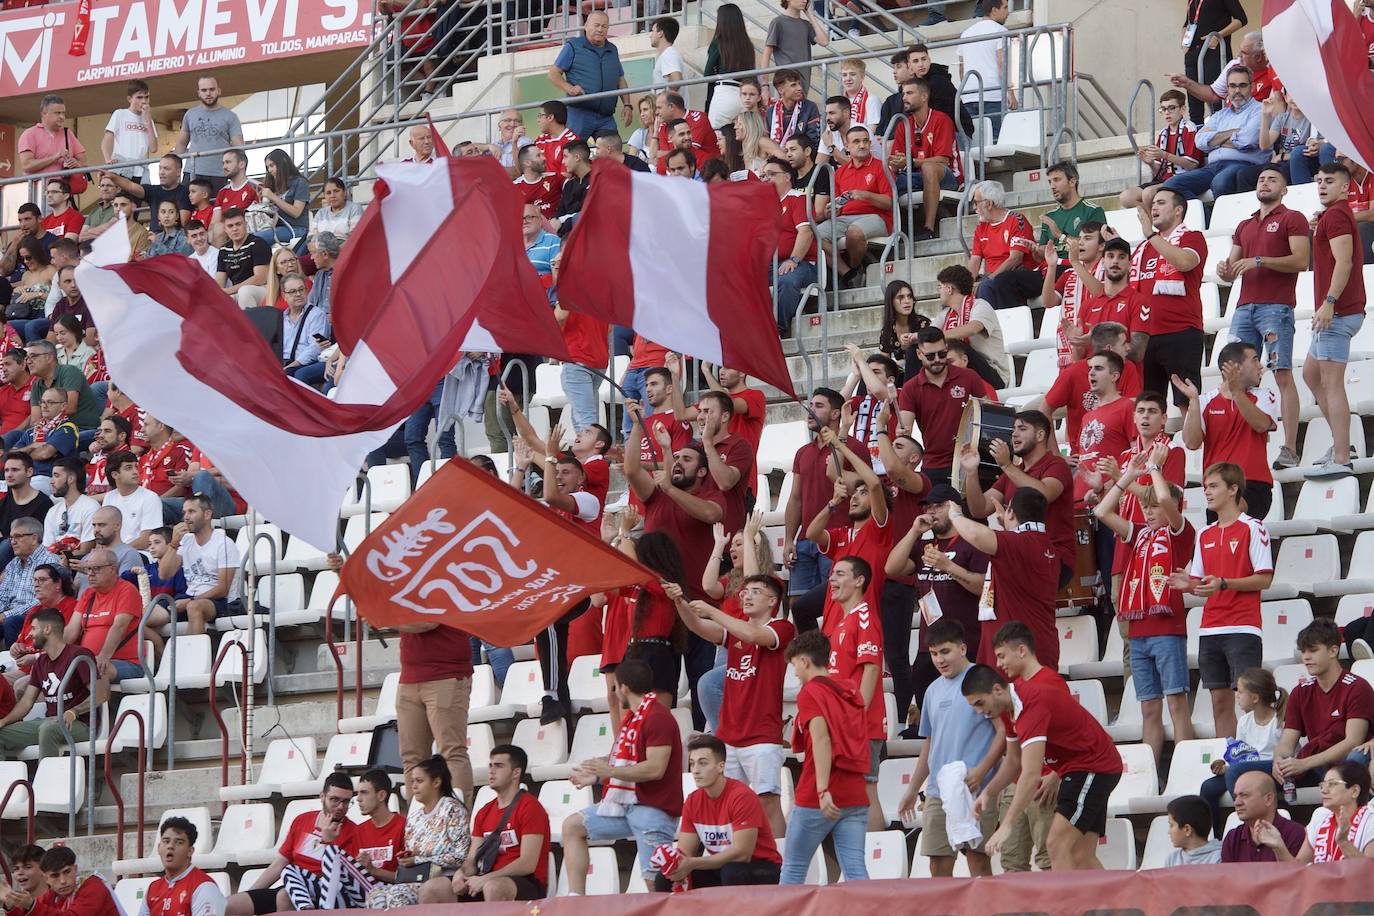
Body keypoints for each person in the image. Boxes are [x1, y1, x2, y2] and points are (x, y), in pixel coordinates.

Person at [963, 662, 1122, 870]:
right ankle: (1115, 893)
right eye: (974, 706)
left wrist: (1007, 824)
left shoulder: (1030, 705)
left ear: (997, 689)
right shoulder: (1008, 708)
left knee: (1056, 845)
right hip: (1087, 765)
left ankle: (1067, 894)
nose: (979, 711)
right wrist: (988, 792)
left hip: (1092, 766)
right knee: (1081, 855)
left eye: (980, 703)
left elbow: (1031, 774)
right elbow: (1014, 761)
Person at [1094, 443, 1195, 765]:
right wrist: (1128, 476)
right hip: (1138, 634)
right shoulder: (1138, 534)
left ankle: (1185, 768)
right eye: (1145, 507)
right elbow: (1102, 512)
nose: (1149, 512)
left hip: (1167, 631)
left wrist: (1153, 468)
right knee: (1149, 709)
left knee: (1177, 705)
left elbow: (1165, 498)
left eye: (1153, 507)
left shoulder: (1181, 532)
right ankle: (1151, 772)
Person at [1167, 462, 1273, 740]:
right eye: (1205, 487)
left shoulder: (1254, 527)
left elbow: (1264, 578)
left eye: (1213, 486)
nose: (1207, 492)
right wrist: (1188, 585)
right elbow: (1203, 584)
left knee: (1250, 700)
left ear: (1233, 489)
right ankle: (1229, 756)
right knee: (1219, 703)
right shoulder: (1204, 533)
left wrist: (1225, 583)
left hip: (1243, 627)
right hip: (1210, 628)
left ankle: (1255, 756)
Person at [1215, 167, 1310, 469]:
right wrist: (1224, 270)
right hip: (1245, 306)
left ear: (1284, 189)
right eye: (1261, 179)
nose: (1265, 183)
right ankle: (1238, 444)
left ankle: (1290, 448)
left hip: (1276, 306)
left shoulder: (1292, 217)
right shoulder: (1245, 224)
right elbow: (1231, 271)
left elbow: (1302, 260)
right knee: (1233, 375)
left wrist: (1259, 261)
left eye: (1272, 179)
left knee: (1281, 373)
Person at [561, 658, 682, 895]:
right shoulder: (635, 717)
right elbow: (626, 759)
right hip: (626, 806)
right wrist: (596, 776)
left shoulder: (657, 717)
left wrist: (610, 772)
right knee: (573, 826)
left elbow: (655, 768)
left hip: (654, 810)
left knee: (657, 887)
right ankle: (576, 900)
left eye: (614, 687)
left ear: (623, 687)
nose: (614, 692)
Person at [897, 619, 1004, 876]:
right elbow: (930, 743)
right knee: (938, 864)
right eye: (934, 654)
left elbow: (1004, 731)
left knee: (978, 861)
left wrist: (982, 770)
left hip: (977, 787)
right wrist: (912, 789)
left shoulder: (982, 679)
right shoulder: (932, 690)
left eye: (945, 651)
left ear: (962, 648)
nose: (939, 660)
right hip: (938, 790)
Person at [778, 630, 870, 884]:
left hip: (817, 795)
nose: (796, 673)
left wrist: (822, 790)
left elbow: (822, 739)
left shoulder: (810, 692)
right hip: (854, 792)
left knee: (793, 869)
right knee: (856, 871)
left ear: (804, 661)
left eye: (795, 666)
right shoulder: (849, 689)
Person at [950, 483, 1062, 672]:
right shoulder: (1047, 546)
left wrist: (955, 515)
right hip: (1035, 644)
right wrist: (1008, 526)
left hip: (1016, 652)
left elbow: (975, 534)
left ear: (1010, 513)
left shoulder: (1018, 543)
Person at [655, 734, 782, 891]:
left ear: (721, 766)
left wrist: (692, 863)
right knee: (664, 879)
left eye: (703, 763)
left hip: (762, 867)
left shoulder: (742, 797)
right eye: (692, 764)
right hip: (723, 867)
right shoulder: (693, 801)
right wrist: (673, 862)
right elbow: (685, 852)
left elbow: (743, 854)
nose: (695, 770)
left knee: (733, 872)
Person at [1305, 162, 1368, 478]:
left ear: (1345, 187)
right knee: (1311, 375)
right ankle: (1342, 444)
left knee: (1330, 383)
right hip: (1336, 311)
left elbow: (1345, 262)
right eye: (1319, 180)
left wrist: (1329, 303)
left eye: (1329, 181)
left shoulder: (1337, 215)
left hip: (1338, 312)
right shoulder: (1332, 216)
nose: (1322, 185)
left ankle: (1342, 456)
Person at [226, 773, 365, 914]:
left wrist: (329, 842)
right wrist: (253, 893)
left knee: (284, 896)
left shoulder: (353, 832)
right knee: (229, 905)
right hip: (292, 884)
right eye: (335, 800)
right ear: (322, 796)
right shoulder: (302, 820)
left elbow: (338, 879)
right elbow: (280, 864)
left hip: (321, 896)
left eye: (346, 802)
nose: (341, 807)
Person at [965, 408, 1075, 586]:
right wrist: (971, 472)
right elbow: (980, 509)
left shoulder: (1057, 464)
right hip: (1021, 554)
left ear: (1040, 435)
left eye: (1022, 429)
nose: (1014, 434)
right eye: (1013, 429)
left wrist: (1006, 465)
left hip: (1052, 555)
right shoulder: (1013, 472)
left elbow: (1043, 494)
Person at [434, 745, 548, 903]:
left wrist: (486, 879)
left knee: (493, 887)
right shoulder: (484, 812)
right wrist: (462, 873)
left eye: (499, 766)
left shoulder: (530, 807)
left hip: (525, 881)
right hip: (486, 878)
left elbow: (527, 864)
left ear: (516, 773)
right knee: (433, 888)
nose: (491, 771)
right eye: (490, 766)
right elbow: (472, 858)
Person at [1177, 341, 1277, 521]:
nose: (1260, 366)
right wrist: (1193, 402)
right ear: (1235, 367)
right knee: (1222, 530)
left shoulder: (1263, 395)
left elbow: (1261, 424)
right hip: (1217, 487)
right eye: (1254, 360)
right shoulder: (1204, 401)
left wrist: (1237, 392)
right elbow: (1191, 443)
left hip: (1253, 484)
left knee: (1232, 516)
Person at [1270, 619, 1374, 790]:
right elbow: (1287, 742)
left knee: (1354, 761)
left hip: (1344, 762)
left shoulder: (1357, 687)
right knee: (1239, 771)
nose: (1306, 657)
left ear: (1333, 651)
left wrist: (1305, 763)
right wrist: (1279, 759)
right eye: (1303, 651)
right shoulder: (1300, 691)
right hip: (1313, 763)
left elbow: (1353, 741)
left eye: (1313, 650)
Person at [807, 433, 892, 636]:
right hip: (831, 629)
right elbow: (812, 533)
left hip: (859, 629)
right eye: (854, 494)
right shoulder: (841, 534)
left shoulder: (878, 530)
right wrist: (833, 503)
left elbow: (874, 484)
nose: (854, 498)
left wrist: (839, 445)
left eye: (863, 494)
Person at [363, 756, 471, 909]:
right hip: (416, 878)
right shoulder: (414, 818)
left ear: (436, 782)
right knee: (376, 895)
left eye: (419, 781)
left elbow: (460, 856)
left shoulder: (452, 809)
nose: (413, 786)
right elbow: (414, 855)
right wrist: (408, 858)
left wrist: (418, 859)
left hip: (445, 877)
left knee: (398, 895)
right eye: (412, 781)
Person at [1132, 188, 1206, 406]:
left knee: (1186, 402)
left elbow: (1184, 262)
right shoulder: (1143, 249)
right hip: (1145, 337)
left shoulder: (1192, 237)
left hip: (1180, 332)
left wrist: (1151, 235)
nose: (1154, 207)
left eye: (1161, 203)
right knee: (1147, 408)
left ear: (1178, 210)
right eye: (1153, 204)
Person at [0, 608, 103, 758]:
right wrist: (4, 721)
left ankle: (48, 774)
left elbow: (101, 694)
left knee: (48, 728)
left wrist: (73, 712)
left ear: (47, 629)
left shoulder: (79, 655)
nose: (30, 634)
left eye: (34, 628)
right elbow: (26, 702)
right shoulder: (40, 661)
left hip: (80, 724)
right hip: (49, 722)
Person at [897, 326, 993, 487]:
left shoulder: (968, 376)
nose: (937, 359)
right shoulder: (910, 388)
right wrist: (901, 432)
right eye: (930, 356)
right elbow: (904, 427)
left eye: (942, 354)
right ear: (919, 354)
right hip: (935, 464)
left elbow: (989, 413)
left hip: (971, 458)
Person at [1199, 666, 1285, 838]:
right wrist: (1225, 767)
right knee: (1208, 787)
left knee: (1238, 770)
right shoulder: (1245, 721)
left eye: (1240, 691)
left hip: (1273, 770)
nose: (1236, 695)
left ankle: (1249, 822)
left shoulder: (1279, 720)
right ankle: (1214, 838)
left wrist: (1235, 769)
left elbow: (1288, 753)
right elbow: (1241, 755)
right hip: (1245, 770)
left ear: (1254, 698)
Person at [1161, 66, 1267, 200]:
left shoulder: (1260, 110)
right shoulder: (1220, 115)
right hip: (1213, 167)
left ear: (1252, 87)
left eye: (1242, 85)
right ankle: (1204, 214)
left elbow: (1248, 139)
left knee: (1220, 182)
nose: (1237, 90)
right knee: (1171, 185)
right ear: (1227, 89)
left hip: (1243, 165)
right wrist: (1233, 133)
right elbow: (1199, 140)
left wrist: (1215, 140)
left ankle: (1223, 214)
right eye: (1232, 86)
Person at [152, 494, 240, 636]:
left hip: (221, 602)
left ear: (207, 514)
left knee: (194, 607)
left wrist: (189, 601)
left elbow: (223, 589)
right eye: (184, 512)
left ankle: (193, 649)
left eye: (191, 511)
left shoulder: (224, 544)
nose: (186, 517)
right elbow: (164, 574)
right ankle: (160, 649)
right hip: (189, 596)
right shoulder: (186, 540)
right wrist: (173, 544)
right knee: (147, 614)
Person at [887, 78, 962, 243]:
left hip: (948, 175)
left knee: (929, 167)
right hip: (916, 176)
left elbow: (942, 160)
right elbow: (898, 160)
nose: (904, 98)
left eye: (909, 93)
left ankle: (928, 228)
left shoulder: (941, 119)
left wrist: (911, 162)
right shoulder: (903, 125)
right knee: (885, 179)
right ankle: (893, 233)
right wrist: (895, 164)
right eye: (903, 94)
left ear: (924, 97)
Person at [816, 127, 892, 289]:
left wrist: (867, 195)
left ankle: (855, 266)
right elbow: (836, 204)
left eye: (865, 141)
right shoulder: (840, 173)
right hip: (844, 218)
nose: (862, 145)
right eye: (856, 142)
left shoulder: (881, 167)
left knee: (854, 232)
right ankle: (849, 273)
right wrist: (830, 212)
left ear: (870, 144)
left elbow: (889, 203)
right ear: (847, 146)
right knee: (813, 235)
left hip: (876, 217)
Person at [547, 11, 632, 139]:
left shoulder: (612, 49)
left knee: (612, 149)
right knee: (574, 149)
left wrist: (627, 105)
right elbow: (553, 74)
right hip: (579, 113)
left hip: (606, 116)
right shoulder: (573, 46)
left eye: (604, 26)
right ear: (586, 26)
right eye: (596, 25)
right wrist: (570, 89)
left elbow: (620, 79)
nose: (600, 29)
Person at [69, 547, 144, 685]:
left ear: (112, 569)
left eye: (96, 569)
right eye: (88, 569)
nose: (90, 574)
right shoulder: (88, 594)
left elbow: (119, 626)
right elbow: (71, 630)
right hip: (89, 661)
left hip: (127, 662)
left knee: (95, 669)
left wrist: (104, 655)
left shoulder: (127, 590)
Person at [1119, 89, 1202, 211]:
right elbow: (1159, 171)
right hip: (1164, 179)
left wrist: (1164, 155)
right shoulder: (1164, 133)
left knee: (1148, 193)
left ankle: (1154, 222)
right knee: (1126, 197)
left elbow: (1192, 164)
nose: (1167, 113)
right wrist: (1150, 163)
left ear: (1182, 109)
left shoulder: (1189, 129)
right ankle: (1152, 219)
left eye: (1171, 108)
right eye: (1163, 109)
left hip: (1182, 178)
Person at [967, 180, 1042, 311]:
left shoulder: (1016, 220)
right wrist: (965, 286)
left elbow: (1015, 259)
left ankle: (991, 324)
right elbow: (974, 260)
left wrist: (989, 279)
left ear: (989, 204)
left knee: (986, 286)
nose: (974, 208)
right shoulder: (981, 228)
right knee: (954, 292)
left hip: (1014, 276)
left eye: (976, 203)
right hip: (991, 278)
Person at [933, 264, 1008, 389]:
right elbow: (929, 335)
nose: (938, 291)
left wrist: (937, 336)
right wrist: (915, 338)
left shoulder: (981, 305)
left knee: (957, 345)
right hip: (961, 369)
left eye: (939, 287)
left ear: (949, 289)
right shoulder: (945, 314)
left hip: (992, 375)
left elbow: (973, 328)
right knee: (918, 350)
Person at [767, 157, 818, 335]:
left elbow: (806, 232)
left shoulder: (798, 198)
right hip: (771, 264)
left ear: (787, 177)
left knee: (786, 280)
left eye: (771, 174)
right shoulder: (766, 205)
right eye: (764, 175)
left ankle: (778, 330)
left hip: (802, 263)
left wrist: (794, 259)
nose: (766, 179)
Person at [139, 815, 227, 916]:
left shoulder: (204, 887)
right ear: (159, 848)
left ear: (190, 851)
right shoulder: (152, 889)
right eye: (166, 841)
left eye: (179, 842)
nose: (170, 846)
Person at [1287, 760, 1374, 862]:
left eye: (1332, 784)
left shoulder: (1371, 821)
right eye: (1322, 785)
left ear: (1354, 791)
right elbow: (1299, 865)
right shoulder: (1320, 816)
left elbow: (1370, 869)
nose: (1324, 791)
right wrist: (1279, 846)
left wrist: (1343, 842)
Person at [175, 75, 245, 192]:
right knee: (187, 204)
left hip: (220, 173)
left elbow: (239, 146)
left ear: (219, 91)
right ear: (199, 93)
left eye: (212, 89)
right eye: (204, 90)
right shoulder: (190, 114)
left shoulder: (230, 116)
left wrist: (239, 171)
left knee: (218, 204)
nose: (208, 93)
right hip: (192, 171)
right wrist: (174, 168)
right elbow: (182, 143)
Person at [1220, 770, 1305, 862]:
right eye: (1235, 797)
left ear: (1268, 799)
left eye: (1244, 795)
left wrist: (1279, 849)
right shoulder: (1232, 838)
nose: (1237, 803)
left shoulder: (1296, 834)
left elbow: (1297, 871)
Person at [958, 0, 1017, 133]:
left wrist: (966, 92)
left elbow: (962, 69)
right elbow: (1002, 63)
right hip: (993, 94)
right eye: (1005, 7)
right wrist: (1010, 92)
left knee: (973, 140)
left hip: (969, 96)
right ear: (994, 10)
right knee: (995, 139)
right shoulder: (1001, 31)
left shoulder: (966, 33)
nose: (1008, 12)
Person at [8, 847, 119, 916]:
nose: (63, 881)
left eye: (67, 872)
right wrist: (10, 905)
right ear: (45, 878)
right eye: (55, 876)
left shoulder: (93, 886)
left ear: (75, 869)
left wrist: (32, 905)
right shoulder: (53, 894)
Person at [0, 515, 59, 643]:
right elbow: (2, 596)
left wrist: (5, 615)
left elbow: (42, 600)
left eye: (18, 536)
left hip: (38, 616)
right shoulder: (13, 564)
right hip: (9, 615)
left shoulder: (50, 561)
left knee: (11, 622)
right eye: (11, 537)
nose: (13, 542)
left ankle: (13, 657)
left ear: (34, 538)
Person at [1038, 162, 1107, 261]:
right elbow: (1041, 255)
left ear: (1072, 182)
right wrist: (1034, 250)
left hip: (1077, 266)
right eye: (1050, 182)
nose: (1052, 186)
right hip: (1051, 267)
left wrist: (1060, 235)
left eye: (1057, 180)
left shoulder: (1093, 211)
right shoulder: (1049, 216)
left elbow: (1096, 247)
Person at [103, 153, 193, 226]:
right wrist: (111, 176)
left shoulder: (185, 192)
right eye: (160, 168)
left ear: (178, 172)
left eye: (166, 169)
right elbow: (130, 185)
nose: (161, 172)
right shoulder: (153, 190)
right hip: (152, 239)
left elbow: (183, 222)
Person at [760, 0, 830, 94]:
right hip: (787, 82)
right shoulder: (778, 22)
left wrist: (810, 15)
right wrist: (764, 85)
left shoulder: (806, 24)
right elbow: (766, 54)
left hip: (804, 82)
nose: (804, 0)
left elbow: (824, 42)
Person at [101, 450, 165, 549]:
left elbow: (147, 539)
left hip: (141, 553)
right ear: (115, 475)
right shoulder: (110, 497)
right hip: (113, 553)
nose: (135, 471)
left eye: (136, 467)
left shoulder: (150, 497)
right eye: (128, 468)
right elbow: (104, 533)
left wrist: (118, 552)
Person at [17, 95, 86, 179]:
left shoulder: (67, 133)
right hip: (40, 186)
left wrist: (76, 164)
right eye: (57, 113)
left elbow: (83, 162)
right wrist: (55, 157)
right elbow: (26, 166)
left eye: (63, 113)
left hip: (65, 186)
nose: (62, 117)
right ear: (44, 113)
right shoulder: (30, 134)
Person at [653, 92, 722, 176]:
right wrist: (655, 131)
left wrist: (665, 153)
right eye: (681, 134)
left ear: (671, 106)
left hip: (710, 171)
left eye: (659, 108)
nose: (656, 112)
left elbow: (687, 150)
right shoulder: (664, 126)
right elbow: (655, 156)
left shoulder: (698, 119)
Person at [215, 208, 272, 309]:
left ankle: (250, 320)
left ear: (245, 224)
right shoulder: (224, 250)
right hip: (237, 292)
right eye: (230, 226)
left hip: (262, 289)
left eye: (238, 224)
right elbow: (219, 283)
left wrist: (229, 290)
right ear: (225, 229)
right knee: (215, 300)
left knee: (245, 291)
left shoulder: (257, 244)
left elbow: (260, 278)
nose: (235, 229)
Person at [253, 149, 311, 246]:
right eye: (267, 167)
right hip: (276, 227)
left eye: (272, 165)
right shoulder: (274, 184)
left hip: (296, 228)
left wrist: (273, 197)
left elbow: (296, 212)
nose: (269, 170)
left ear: (283, 163)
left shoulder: (300, 182)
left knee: (256, 239)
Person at [41, 458, 97, 555]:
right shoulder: (53, 511)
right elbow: (47, 549)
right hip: (55, 561)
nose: (51, 481)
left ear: (71, 479)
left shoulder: (90, 507)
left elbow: (86, 550)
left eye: (56, 476)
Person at [281, 274, 329, 383]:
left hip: (305, 363)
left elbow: (316, 347)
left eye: (301, 289)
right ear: (284, 296)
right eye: (293, 291)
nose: (298, 294)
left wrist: (294, 364)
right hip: (283, 362)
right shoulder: (281, 318)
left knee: (295, 374)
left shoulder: (316, 314)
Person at [764, 71, 823, 155]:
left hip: (803, 157)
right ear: (781, 90)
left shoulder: (810, 107)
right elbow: (766, 142)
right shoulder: (771, 112)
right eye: (793, 85)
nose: (800, 88)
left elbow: (813, 141)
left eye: (799, 83)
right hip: (777, 158)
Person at [307, 177, 364, 250]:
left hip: (346, 250)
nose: (332, 196)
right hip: (321, 251)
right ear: (324, 196)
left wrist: (335, 252)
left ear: (344, 192)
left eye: (336, 191)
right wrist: (319, 251)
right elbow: (311, 237)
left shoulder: (354, 209)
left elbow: (355, 236)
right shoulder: (321, 213)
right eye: (328, 193)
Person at [1163, 796, 1223, 865]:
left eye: (1171, 825)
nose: (1169, 832)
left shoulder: (1218, 858)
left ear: (1187, 829)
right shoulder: (1172, 859)